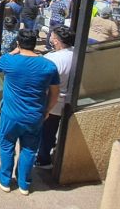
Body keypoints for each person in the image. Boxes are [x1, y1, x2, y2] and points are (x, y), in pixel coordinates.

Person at [0, 29, 59, 195]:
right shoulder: (49, 65)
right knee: (29, 149)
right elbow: (55, 92)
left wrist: (14, 51)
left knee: (7, 146)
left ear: (18, 43)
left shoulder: (9, 60)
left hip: (10, 114)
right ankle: (24, 183)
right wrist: (47, 110)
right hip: (35, 115)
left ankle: (5, 179)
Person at [36, 26, 75, 169]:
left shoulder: (52, 58)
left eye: (52, 36)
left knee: (46, 133)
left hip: (52, 102)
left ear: (57, 41)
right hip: (70, 100)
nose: (50, 39)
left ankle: (43, 159)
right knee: (52, 131)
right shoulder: (77, 53)